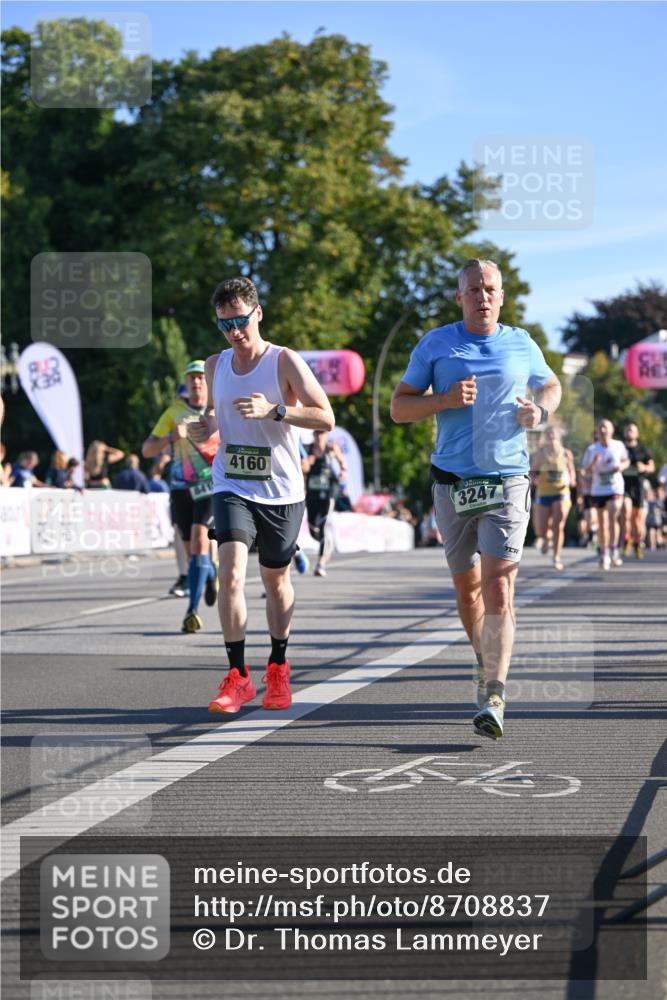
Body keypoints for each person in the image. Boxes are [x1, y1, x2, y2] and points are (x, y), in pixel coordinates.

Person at [391, 258, 561, 740]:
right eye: (473, 290)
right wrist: (443, 400)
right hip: (452, 483)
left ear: (501, 296)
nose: (482, 297)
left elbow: (551, 384)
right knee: (467, 592)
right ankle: (484, 660)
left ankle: (494, 693)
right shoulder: (436, 344)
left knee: (499, 587)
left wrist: (540, 410)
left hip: (507, 479)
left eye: (490, 289)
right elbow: (399, 407)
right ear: (459, 297)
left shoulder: (521, 342)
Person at [190, 275, 334, 715]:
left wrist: (276, 410)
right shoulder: (215, 365)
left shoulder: (283, 361)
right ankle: (237, 677)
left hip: (282, 490)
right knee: (231, 573)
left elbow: (325, 417)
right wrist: (206, 427)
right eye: (224, 324)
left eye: (240, 321)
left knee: (276, 581)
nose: (234, 332)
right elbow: (215, 419)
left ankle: (278, 665)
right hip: (232, 483)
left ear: (258, 314)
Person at [142, 361, 220, 631]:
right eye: (192, 378)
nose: (196, 382)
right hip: (180, 488)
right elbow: (147, 450)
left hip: (209, 486)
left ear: (208, 383)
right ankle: (210, 574)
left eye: (201, 378)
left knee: (200, 540)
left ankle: (192, 611)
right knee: (193, 554)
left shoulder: (219, 410)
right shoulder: (173, 412)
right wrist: (169, 438)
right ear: (186, 383)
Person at [581, 419, 629, 570]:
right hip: (598, 489)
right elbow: (583, 470)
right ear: (597, 431)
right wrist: (593, 463)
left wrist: (620, 466)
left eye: (605, 427)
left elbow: (626, 460)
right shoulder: (592, 449)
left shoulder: (618, 445)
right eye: (600, 427)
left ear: (612, 430)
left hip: (615, 487)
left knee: (612, 516)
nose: (603, 430)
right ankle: (604, 552)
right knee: (602, 523)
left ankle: (614, 549)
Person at [530, 424, 576, 571]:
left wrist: (571, 480)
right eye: (548, 434)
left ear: (558, 436)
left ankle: (556, 557)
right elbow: (532, 472)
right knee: (541, 530)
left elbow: (572, 472)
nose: (551, 436)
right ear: (545, 437)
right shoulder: (540, 454)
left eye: (553, 433)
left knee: (558, 525)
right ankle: (546, 538)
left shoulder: (566, 453)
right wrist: (535, 480)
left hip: (561, 492)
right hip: (543, 493)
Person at [301, 429, 347, 576]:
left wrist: (343, 471)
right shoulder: (307, 449)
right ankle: (327, 543)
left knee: (324, 526)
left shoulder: (331, 448)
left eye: (322, 433)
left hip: (328, 493)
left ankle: (321, 564)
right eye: (317, 433)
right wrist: (306, 464)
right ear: (313, 435)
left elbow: (342, 461)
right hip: (312, 494)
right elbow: (302, 468)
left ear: (326, 435)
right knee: (313, 529)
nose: (319, 436)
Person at [620, 422, 654, 559]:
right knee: (625, 512)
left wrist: (644, 468)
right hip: (624, 486)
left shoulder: (643, 450)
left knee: (637, 520)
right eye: (627, 429)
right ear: (624, 433)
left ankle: (637, 543)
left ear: (637, 434)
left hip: (638, 487)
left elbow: (652, 467)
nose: (630, 432)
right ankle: (626, 539)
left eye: (632, 430)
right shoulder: (620, 448)